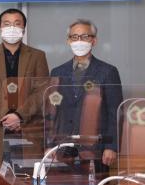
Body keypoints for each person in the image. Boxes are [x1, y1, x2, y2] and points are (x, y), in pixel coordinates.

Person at [0, 8, 49, 164]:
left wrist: (19, 116)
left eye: (17, 24)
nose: (12, 28)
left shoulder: (38, 56)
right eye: (7, 24)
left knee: (28, 176)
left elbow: (42, 91)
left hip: (28, 127)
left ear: (24, 28)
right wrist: (4, 116)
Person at [49, 19, 123, 169]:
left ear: (94, 41)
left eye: (85, 36)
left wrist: (112, 147)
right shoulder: (57, 72)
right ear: (68, 41)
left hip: (96, 148)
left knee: (97, 183)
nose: (79, 41)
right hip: (63, 148)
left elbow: (115, 112)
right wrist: (49, 145)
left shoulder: (108, 71)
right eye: (74, 37)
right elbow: (52, 112)